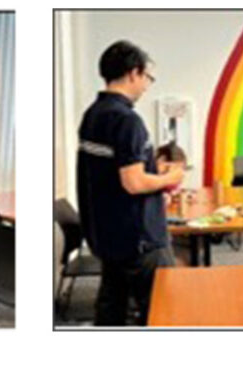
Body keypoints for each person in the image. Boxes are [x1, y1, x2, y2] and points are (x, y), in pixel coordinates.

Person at [77, 40, 183, 326]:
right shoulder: (127, 120)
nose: (148, 85)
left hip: (108, 234)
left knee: (112, 308)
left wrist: (151, 168)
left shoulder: (93, 115)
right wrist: (169, 178)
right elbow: (134, 183)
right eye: (148, 78)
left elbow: (113, 170)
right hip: (140, 238)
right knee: (164, 309)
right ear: (134, 73)